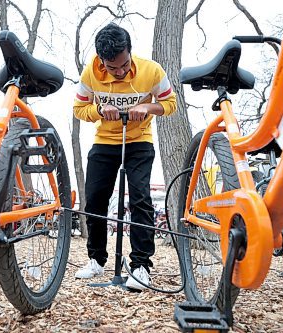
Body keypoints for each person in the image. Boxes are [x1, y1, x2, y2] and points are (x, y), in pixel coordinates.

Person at [73, 23, 177, 290]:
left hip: (139, 141)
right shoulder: (90, 74)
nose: (119, 72)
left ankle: (141, 265)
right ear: (100, 60)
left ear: (130, 52)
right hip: (105, 142)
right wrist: (99, 109)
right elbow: (79, 109)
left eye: (124, 65)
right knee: (94, 199)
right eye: (112, 67)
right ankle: (96, 259)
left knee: (140, 198)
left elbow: (170, 104)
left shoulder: (152, 71)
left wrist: (146, 106)